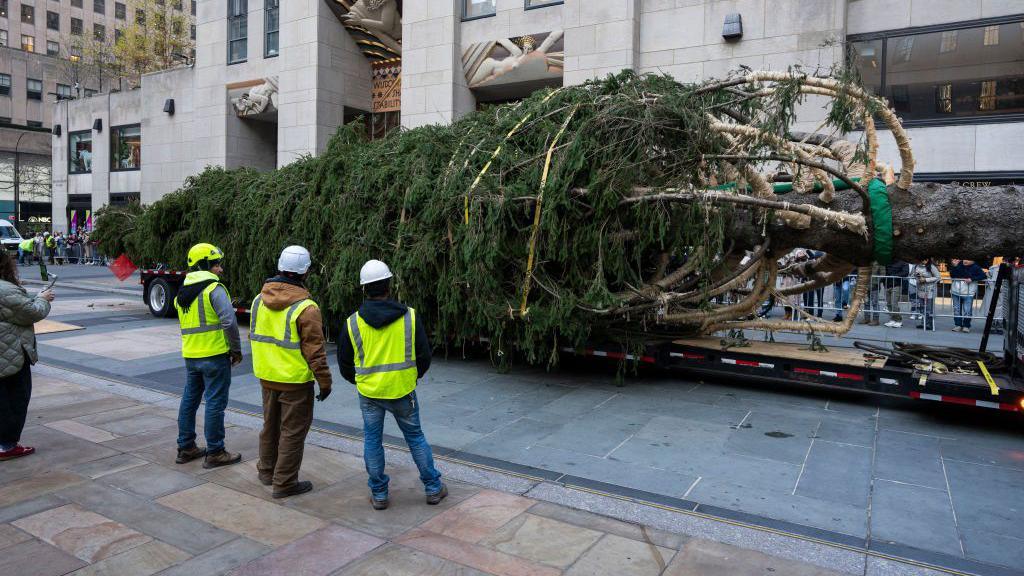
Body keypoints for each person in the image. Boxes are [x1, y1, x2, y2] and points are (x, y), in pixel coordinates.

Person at [338, 259, 446, 510]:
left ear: (365, 289)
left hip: (369, 393)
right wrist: (410, 377)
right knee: (415, 438)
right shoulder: (410, 317)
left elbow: (344, 364)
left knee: (372, 441)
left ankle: (379, 494)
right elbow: (424, 356)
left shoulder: (352, 322)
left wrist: (361, 381)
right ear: (389, 284)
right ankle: (433, 488)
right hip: (403, 391)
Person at [250, 246, 333, 499]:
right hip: (295, 382)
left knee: (270, 426)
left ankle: (266, 471)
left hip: (267, 376)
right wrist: (325, 382)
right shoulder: (307, 308)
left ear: (279, 266)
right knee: (292, 433)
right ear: (306, 271)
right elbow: (315, 351)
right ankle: (284, 483)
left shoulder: (258, 300)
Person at [173, 243, 243, 469]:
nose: (220, 269)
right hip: (214, 356)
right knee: (215, 403)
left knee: (189, 401)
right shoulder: (214, 289)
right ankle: (215, 451)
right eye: (216, 264)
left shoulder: (183, 291)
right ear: (204, 265)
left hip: (191, 356)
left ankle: (186, 447)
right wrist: (236, 350)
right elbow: (229, 322)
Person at [0, 249, 54, 460]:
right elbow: (30, 313)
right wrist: (43, 299)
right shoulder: (4, 289)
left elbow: (13, 309)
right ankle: (7, 445)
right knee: (14, 397)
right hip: (9, 352)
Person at [949, 258, 986, 333]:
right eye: (965, 259)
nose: (965, 261)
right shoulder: (958, 264)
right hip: (956, 291)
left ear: (973, 260)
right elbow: (952, 275)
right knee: (956, 309)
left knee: (967, 310)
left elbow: (983, 276)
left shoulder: (976, 267)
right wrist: (955, 267)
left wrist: (972, 279)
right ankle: (958, 325)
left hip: (968, 293)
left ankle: (966, 326)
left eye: (968, 259)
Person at [910, 259, 940, 330]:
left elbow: (938, 277)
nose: (924, 260)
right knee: (922, 307)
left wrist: (926, 279)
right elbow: (912, 275)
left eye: (926, 259)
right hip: (920, 289)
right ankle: (923, 323)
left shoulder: (931, 267)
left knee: (929, 308)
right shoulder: (916, 266)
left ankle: (929, 324)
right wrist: (917, 277)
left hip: (929, 290)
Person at [883, 261, 909, 328]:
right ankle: (893, 319)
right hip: (887, 285)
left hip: (896, 285)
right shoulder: (888, 262)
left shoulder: (903, 262)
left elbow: (905, 272)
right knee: (889, 304)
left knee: (894, 303)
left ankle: (898, 320)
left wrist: (894, 275)